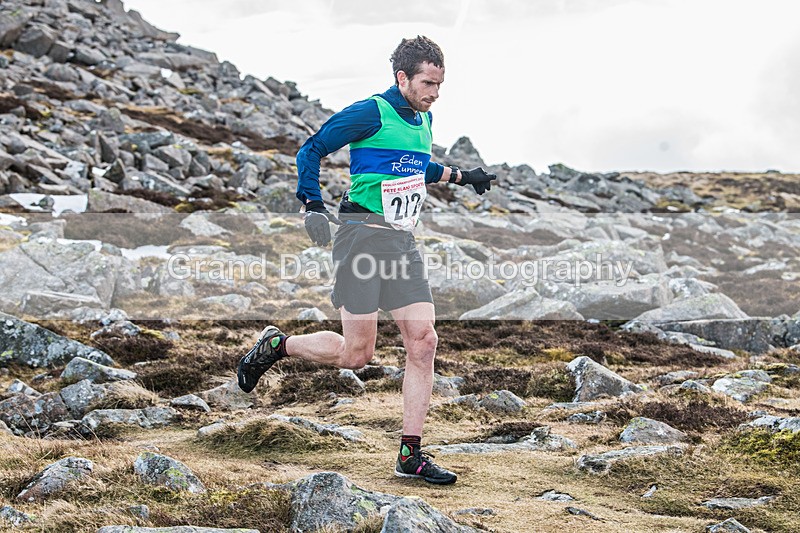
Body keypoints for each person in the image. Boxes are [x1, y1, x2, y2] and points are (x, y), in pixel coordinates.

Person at [237, 35, 497, 485]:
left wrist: (462, 176)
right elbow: (312, 148)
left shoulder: (424, 120)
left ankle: (409, 455)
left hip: (401, 244)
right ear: (403, 77)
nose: (435, 92)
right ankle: (278, 345)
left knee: (424, 341)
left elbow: (417, 167)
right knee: (357, 354)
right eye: (428, 82)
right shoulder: (370, 111)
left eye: (440, 83)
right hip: (360, 239)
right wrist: (312, 204)